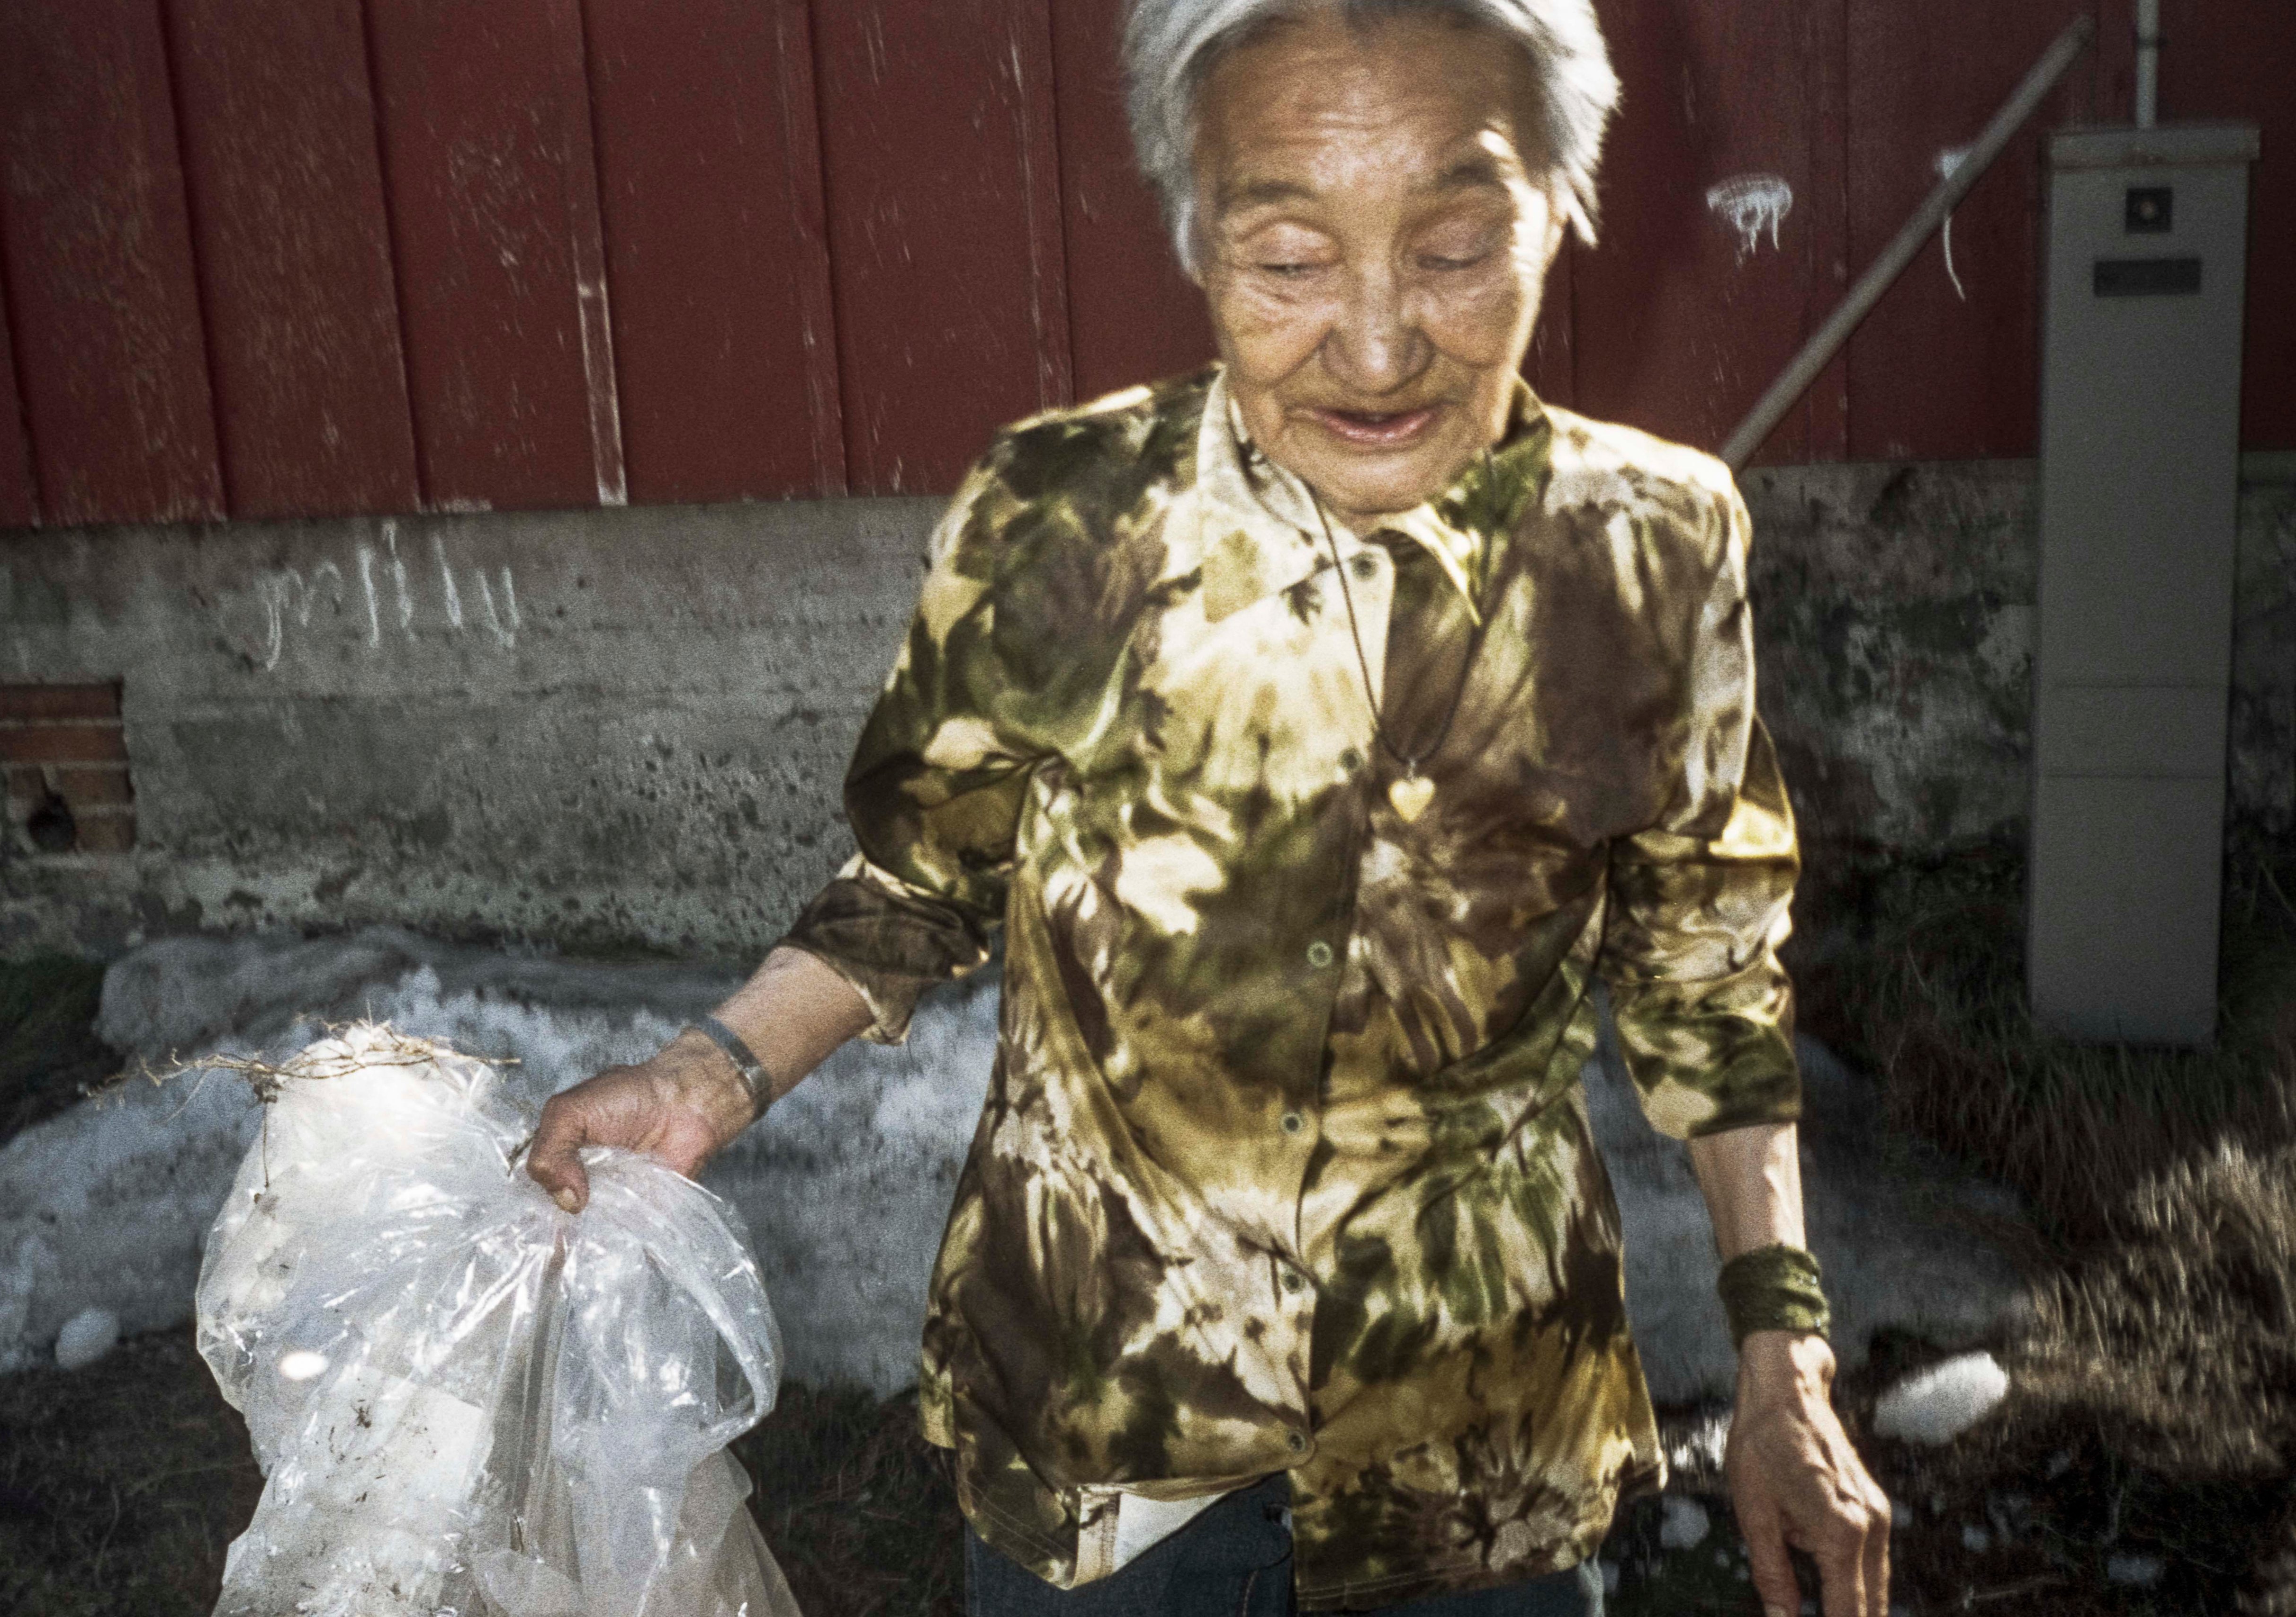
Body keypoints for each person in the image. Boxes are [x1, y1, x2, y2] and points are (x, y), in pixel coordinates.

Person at [528, 1, 1892, 1612]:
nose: (1379, 349)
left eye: (1456, 246)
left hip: (1480, 1462)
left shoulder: (1654, 547)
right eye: (1291, 262)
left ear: (1561, 206)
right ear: (1196, 236)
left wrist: (1782, 1356)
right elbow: (922, 875)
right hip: (1103, 1449)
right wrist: (707, 1077)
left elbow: (1704, 973)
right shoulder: (1062, 515)